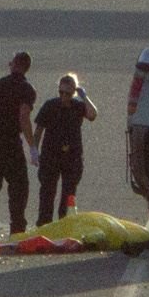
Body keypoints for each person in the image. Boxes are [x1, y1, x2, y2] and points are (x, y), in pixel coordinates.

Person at [0, 51, 40, 236]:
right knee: (19, 186)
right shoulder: (26, 89)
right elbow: (24, 117)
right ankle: (17, 228)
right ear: (27, 67)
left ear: (13, 64)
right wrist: (32, 146)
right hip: (10, 143)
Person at [33, 72, 97, 223]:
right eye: (61, 92)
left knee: (68, 195)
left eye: (67, 93)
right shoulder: (50, 105)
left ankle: (64, 224)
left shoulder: (78, 106)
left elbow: (93, 115)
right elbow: (38, 130)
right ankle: (44, 225)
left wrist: (84, 97)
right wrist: (34, 150)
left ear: (73, 92)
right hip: (51, 155)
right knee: (47, 194)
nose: (63, 96)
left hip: (72, 157)